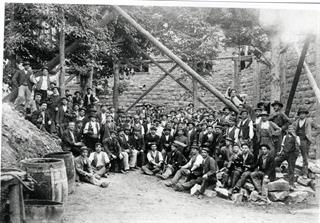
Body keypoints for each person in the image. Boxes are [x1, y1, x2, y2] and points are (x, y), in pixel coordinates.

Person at [293, 108, 319, 178]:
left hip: (305, 140)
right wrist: (294, 136)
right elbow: (291, 129)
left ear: (305, 114)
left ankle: (305, 173)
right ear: (299, 115)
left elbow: (318, 128)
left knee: (305, 156)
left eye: (303, 113)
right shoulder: (296, 122)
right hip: (296, 140)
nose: (302, 115)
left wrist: (312, 135)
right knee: (294, 155)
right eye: (300, 113)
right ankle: (293, 171)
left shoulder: (309, 121)